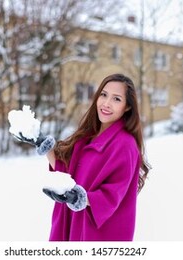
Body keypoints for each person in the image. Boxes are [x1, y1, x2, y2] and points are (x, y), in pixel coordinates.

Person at [16, 73, 150, 241]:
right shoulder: (87, 136)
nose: (106, 103)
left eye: (116, 99)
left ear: (127, 107)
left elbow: (112, 195)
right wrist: (40, 142)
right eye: (104, 95)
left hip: (97, 235)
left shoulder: (125, 145)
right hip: (71, 225)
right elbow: (66, 172)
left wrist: (78, 197)